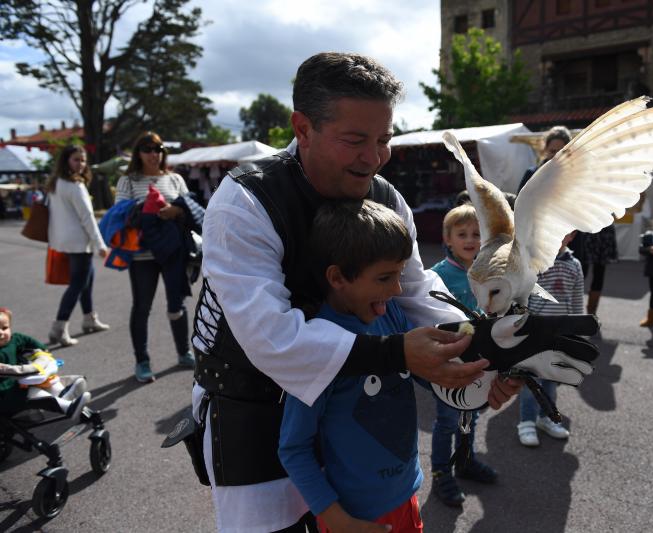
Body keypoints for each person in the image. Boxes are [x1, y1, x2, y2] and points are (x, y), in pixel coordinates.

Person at [190, 52, 522, 533]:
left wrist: (479, 365)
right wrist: (397, 355)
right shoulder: (244, 202)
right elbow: (271, 338)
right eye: (355, 140)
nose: (374, 157)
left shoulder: (386, 197)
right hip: (252, 410)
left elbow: (416, 296)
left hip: (356, 417)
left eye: (384, 139)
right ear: (302, 128)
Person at [280, 200, 423, 533]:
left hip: (407, 497)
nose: (398, 289)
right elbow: (293, 447)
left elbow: (426, 372)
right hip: (354, 519)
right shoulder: (317, 347)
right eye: (386, 277)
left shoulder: (392, 314)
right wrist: (335, 519)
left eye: (400, 274)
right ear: (338, 277)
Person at [428, 204, 497, 507]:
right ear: (448, 239)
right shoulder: (437, 275)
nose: (470, 240)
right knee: (447, 419)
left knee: (473, 412)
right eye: (462, 234)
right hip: (449, 360)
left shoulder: (483, 272)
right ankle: (442, 471)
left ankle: (465, 461)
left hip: (477, 360)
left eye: (477, 234)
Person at [115, 132, 196, 383]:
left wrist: (177, 209)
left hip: (173, 252)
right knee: (142, 307)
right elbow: (120, 215)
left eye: (159, 148)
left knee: (177, 304)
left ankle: (184, 352)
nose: (154, 154)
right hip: (142, 255)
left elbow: (191, 207)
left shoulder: (175, 179)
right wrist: (146, 209)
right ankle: (142, 360)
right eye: (148, 149)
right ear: (138, 153)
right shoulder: (128, 181)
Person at [517, 231, 581, 447]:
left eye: (564, 231)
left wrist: (578, 333)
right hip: (533, 334)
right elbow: (522, 295)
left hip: (559, 336)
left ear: (571, 235)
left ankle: (545, 418)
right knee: (531, 382)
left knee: (552, 381)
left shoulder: (575, 265)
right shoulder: (534, 261)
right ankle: (526, 422)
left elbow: (576, 300)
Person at [46, 145, 110, 346]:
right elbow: (88, 218)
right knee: (78, 284)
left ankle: (89, 319)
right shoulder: (75, 186)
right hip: (80, 241)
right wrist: (100, 244)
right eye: (76, 160)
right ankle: (59, 326)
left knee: (86, 281)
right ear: (66, 161)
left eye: (83, 160)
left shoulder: (55, 183)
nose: (81, 164)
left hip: (64, 240)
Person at [0, 307, 90, 419]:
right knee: (31, 390)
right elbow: (7, 370)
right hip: (4, 393)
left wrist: (43, 353)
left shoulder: (15, 339)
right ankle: (67, 407)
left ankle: (63, 393)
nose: (1, 333)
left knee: (47, 380)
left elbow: (32, 343)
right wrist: (28, 370)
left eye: (4, 328)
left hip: (18, 383)